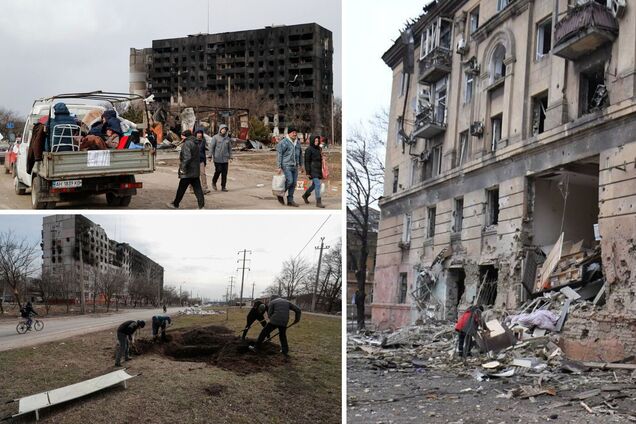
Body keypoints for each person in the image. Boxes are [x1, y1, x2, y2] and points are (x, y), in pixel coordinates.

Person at [166, 130, 205, 209]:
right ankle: (201, 206)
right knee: (198, 189)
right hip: (195, 171)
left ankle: (175, 204)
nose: (181, 138)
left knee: (181, 189)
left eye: (182, 136)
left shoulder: (187, 143)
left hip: (188, 171)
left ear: (185, 136)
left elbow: (187, 157)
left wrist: (182, 169)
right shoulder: (195, 142)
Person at [276, 128, 304, 207]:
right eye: (293, 132)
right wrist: (278, 167)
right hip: (286, 165)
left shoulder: (297, 143)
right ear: (289, 133)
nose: (295, 134)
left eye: (296, 132)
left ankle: (290, 201)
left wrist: (302, 166)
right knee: (290, 181)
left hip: (295, 166)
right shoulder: (283, 142)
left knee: (294, 183)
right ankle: (280, 194)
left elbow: (301, 155)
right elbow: (279, 155)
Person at [302, 135, 326, 208]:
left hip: (318, 168)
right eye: (315, 141)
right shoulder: (308, 149)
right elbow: (306, 161)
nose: (317, 142)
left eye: (318, 141)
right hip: (312, 169)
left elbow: (320, 157)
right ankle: (318, 202)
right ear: (312, 141)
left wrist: (323, 158)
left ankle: (305, 195)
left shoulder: (319, 148)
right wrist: (308, 172)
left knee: (314, 185)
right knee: (318, 184)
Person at [208, 124, 233, 192]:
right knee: (218, 170)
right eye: (222, 129)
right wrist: (210, 156)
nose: (224, 130)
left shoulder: (228, 139)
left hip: (225, 159)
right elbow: (211, 147)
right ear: (220, 130)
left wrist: (231, 157)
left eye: (225, 129)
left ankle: (223, 186)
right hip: (217, 158)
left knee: (224, 173)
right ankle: (214, 181)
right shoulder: (215, 137)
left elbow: (230, 149)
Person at [195, 128, 211, 194]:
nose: (199, 134)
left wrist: (205, 161)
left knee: (203, 174)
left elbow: (203, 152)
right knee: (194, 175)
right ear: (196, 134)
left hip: (201, 160)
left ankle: (204, 188)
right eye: (198, 133)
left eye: (200, 133)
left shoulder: (203, 141)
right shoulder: (193, 141)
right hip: (194, 160)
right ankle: (192, 188)